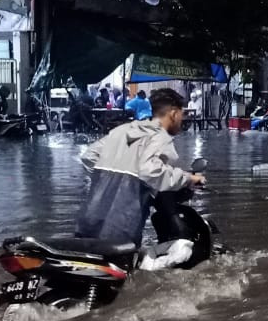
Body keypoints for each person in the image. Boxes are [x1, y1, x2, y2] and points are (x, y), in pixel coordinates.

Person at [76, 88, 204, 245]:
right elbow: (150, 172)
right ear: (173, 113)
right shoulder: (160, 137)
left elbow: (89, 157)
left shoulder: (123, 130)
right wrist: (188, 178)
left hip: (88, 222)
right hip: (121, 230)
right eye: (182, 114)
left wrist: (114, 172)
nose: (182, 120)